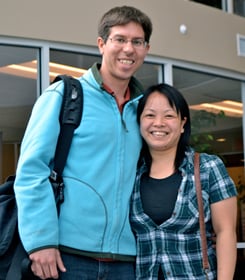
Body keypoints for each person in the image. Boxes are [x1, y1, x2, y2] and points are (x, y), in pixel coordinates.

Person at [14, 6, 152, 280]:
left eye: (137, 42)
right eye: (120, 39)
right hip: (66, 257)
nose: (129, 49)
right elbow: (31, 171)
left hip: (126, 261)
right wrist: (41, 241)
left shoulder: (145, 111)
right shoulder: (64, 95)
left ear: (146, 49)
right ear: (101, 44)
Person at [130, 83, 237, 280]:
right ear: (139, 122)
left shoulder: (207, 167)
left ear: (182, 124)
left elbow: (226, 233)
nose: (159, 123)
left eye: (169, 115)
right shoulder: (131, 173)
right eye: (150, 115)